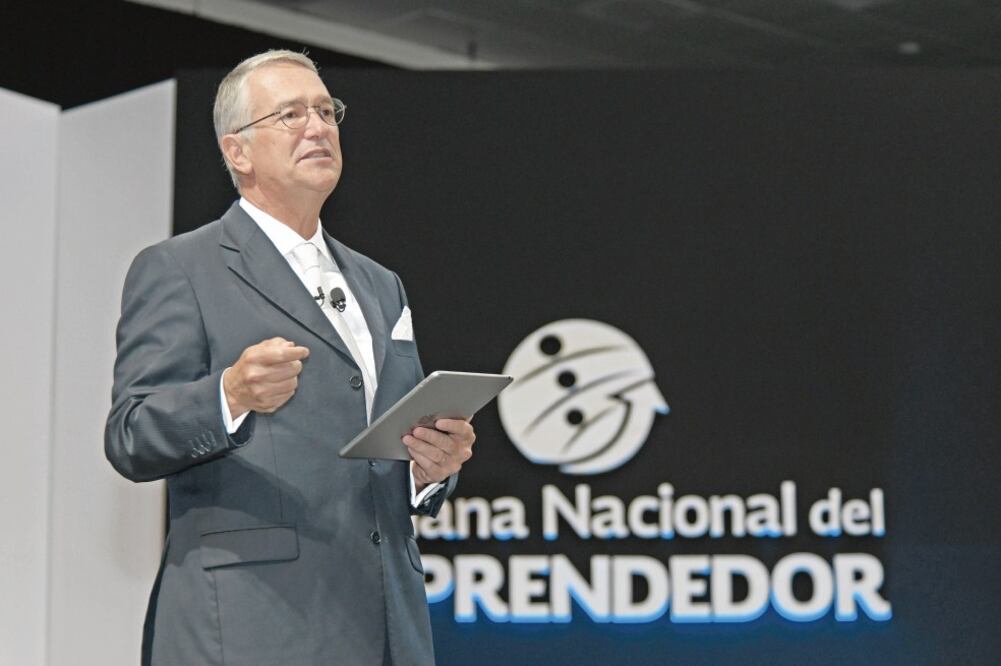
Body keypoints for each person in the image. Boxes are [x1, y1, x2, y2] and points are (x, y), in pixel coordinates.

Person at [105, 50, 475, 666]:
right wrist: (229, 396)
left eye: (327, 111)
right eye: (289, 114)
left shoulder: (382, 284)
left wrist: (429, 469)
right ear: (237, 152)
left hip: (386, 622)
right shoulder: (180, 269)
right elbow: (130, 435)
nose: (318, 126)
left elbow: (388, 436)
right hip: (253, 623)